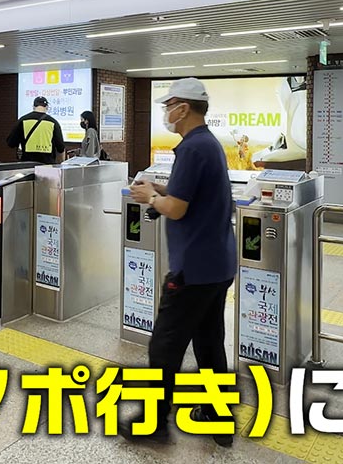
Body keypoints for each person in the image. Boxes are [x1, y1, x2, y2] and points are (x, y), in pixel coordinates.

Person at [124, 78, 236, 447]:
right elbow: (189, 196)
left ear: (183, 108)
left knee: (165, 345)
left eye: (168, 105)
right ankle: (219, 419)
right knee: (208, 342)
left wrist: (151, 199)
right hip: (217, 264)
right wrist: (159, 191)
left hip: (192, 268)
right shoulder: (209, 145)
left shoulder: (191, 149)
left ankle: (153, 423)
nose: (166, 113)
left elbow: (177, 207)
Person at [6, 96, 65, 164]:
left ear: (33, 106)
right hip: (47, 165)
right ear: (47, 107)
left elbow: (11, 143)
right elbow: (60, 148)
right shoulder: (53, 122)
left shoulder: (23, 120)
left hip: (27, 164)